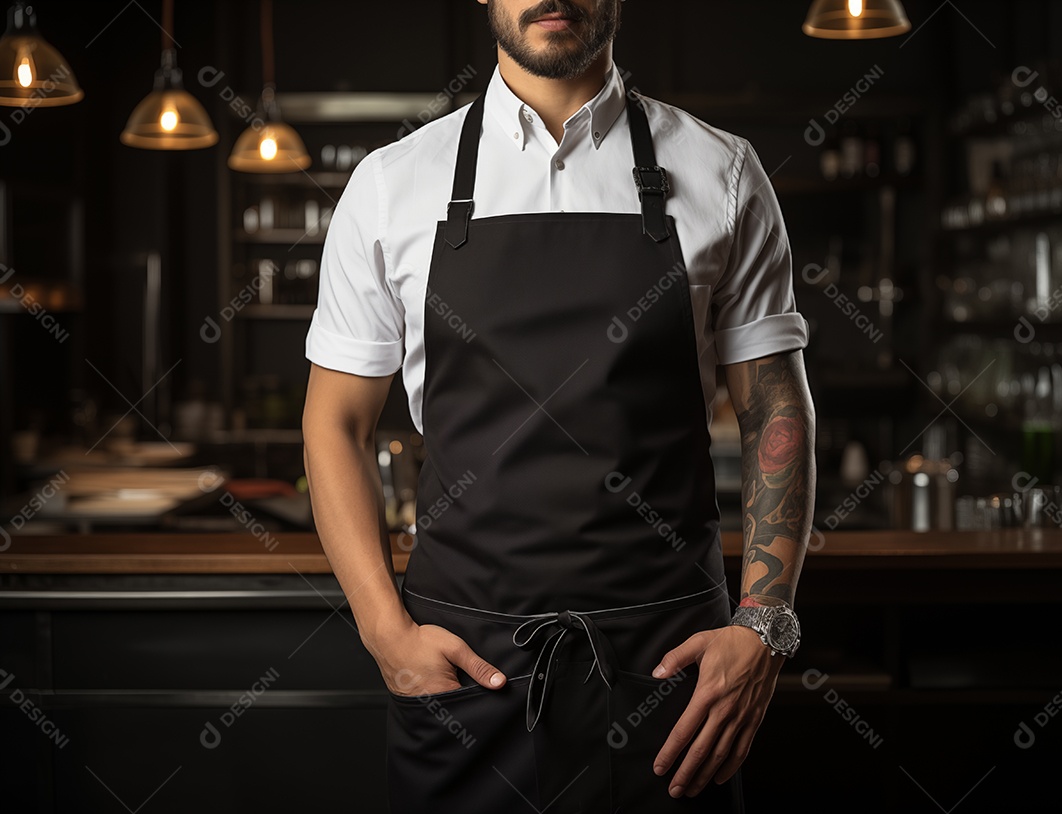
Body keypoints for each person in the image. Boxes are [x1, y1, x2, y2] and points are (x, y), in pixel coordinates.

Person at [301, 0, 816, 811]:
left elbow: (775, 409)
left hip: (668, 673)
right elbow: (334, 423)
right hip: (464, 670)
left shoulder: (723, 171)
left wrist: (765, 625)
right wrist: (382, 631)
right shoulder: (392, 184)